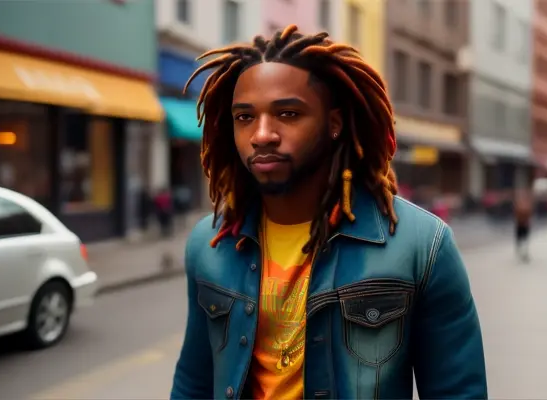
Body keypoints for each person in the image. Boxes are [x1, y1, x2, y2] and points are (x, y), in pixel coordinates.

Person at [170, 25, 487, 400]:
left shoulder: (424, 247)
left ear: (334, 124)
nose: (262, 134)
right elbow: (193, 384)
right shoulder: (209, 244)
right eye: (245, 117)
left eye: (287, 113)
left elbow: (458, 393)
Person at [514, 189, 533, 262]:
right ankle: (521, 251)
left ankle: (524, 253)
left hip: (525, 224)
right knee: (520, 239)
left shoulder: (527, 204)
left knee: (524, 239)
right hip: (520, 224)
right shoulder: (520, 204)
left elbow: (529, 214)